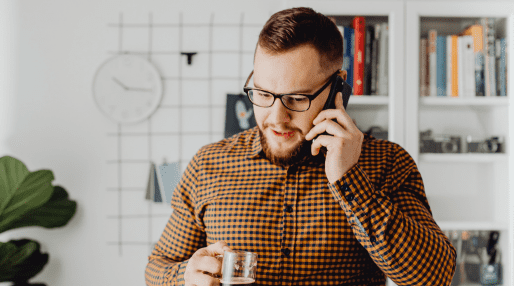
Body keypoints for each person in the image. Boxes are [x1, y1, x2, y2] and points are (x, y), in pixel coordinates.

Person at [145, 7, 455, 286]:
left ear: (338, 88)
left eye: (297, 99)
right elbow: (157, 267)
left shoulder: (387, 162)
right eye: (263, 94)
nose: (277, 119)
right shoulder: (207, 164)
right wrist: (184, 276)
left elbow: (435, 276)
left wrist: (349, 180)